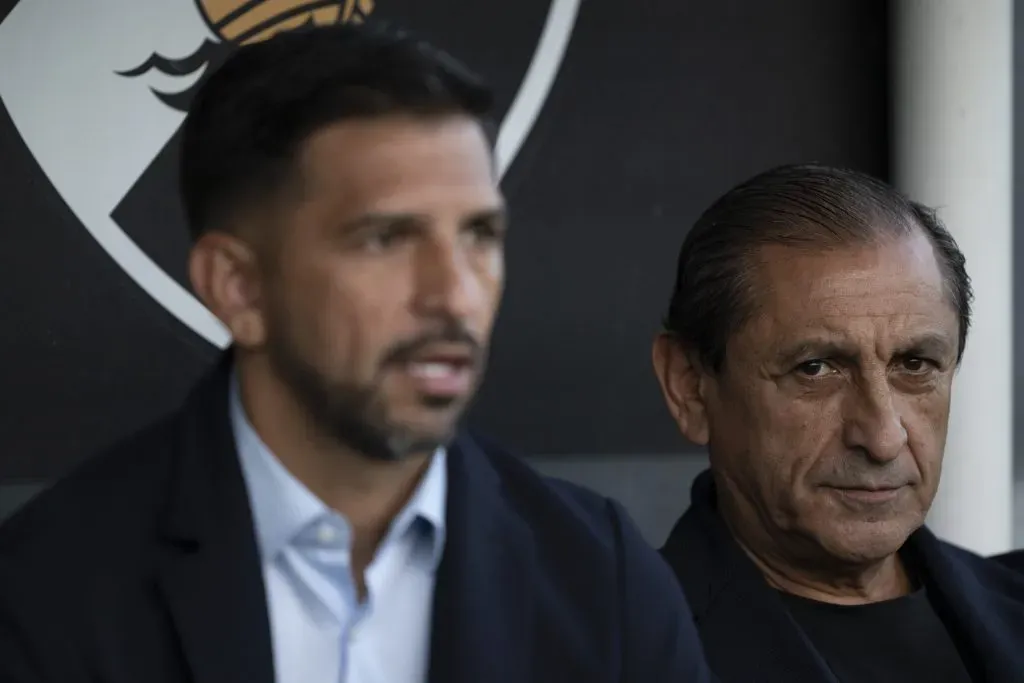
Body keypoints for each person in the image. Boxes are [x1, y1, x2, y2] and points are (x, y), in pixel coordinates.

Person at [0, 22, 712, 683]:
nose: (456, 295)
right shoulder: (48, 589)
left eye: (479, 236)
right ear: (238, 287)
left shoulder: (604, 584)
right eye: (385, 238)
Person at [652, 164, 1024, 682]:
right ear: (690, 386)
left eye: (915, 365)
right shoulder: (609, 652)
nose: (883, 437)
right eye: (816, 369)